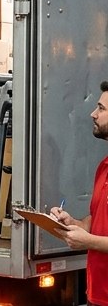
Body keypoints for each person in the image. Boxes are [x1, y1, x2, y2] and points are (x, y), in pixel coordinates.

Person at [50, 81, 108, 306]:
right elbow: (97, 222)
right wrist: (73, 223)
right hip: (97, 295)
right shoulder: (103, 167)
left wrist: (88, 241)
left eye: (101, 109)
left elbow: (93, 239)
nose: (93, 114)